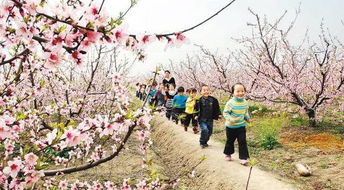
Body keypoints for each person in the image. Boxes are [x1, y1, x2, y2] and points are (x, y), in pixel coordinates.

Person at [223, 83, 252, 165]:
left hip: (241, 126)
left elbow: (245, 113)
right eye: (238, 91)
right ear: (233, 93)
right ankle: (228, 153)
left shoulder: (245, 102)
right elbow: (225, 113)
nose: (240, 93)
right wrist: (230, 119)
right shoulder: (230, 103)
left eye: (242, 91)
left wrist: (247, 119)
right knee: (230, 141)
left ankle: (243, 158)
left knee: (242, 141)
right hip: (230, 126)